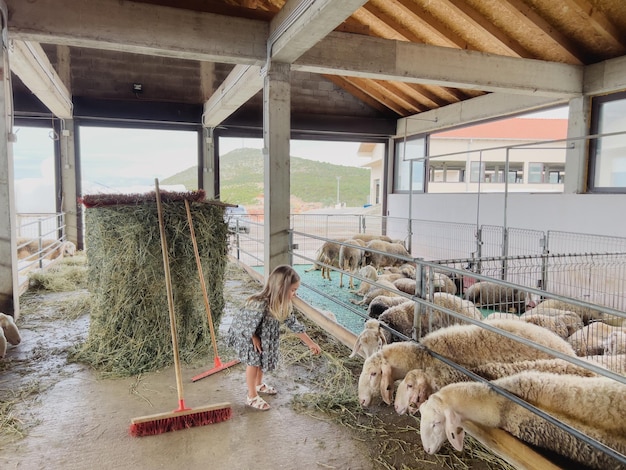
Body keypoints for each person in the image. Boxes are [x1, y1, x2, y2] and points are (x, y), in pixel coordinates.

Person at [226, 264, 322, 411]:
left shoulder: (282, 305)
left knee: (262, 360)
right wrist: (254, 337)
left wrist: (310, 343)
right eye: (292, 290)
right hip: (250, 337)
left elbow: (293, 324)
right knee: (253, 363)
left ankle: (258, 384)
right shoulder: (259, 303)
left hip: (265, 339)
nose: (294, 294)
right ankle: (251, 396)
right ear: (281, 288)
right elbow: (244, 322)